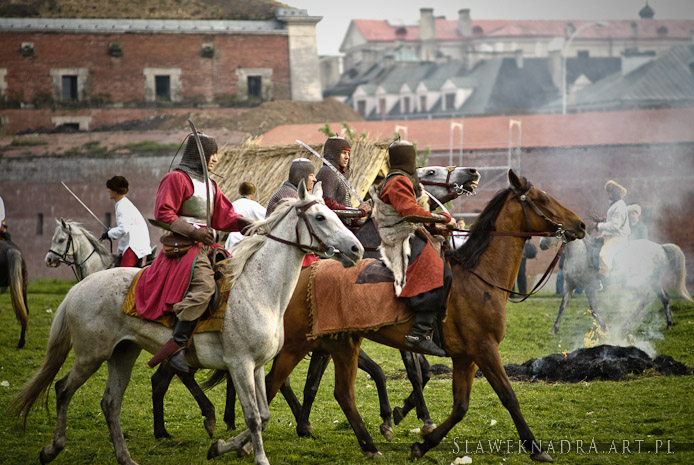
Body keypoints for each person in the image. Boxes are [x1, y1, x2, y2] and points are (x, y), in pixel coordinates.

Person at [135, 131, 252, 373]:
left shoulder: (210, 185)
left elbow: (225, 216)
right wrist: (195, 232)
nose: (216, 160)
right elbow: (164, 213)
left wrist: (252, 225)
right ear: (199, 155)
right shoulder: (176, 179)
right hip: (185, 247)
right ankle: (177, 344)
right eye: (212, 155)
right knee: (204, 288)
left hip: (208, 247)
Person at [374, 140, 456, 357]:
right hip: (400, 237)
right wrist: (442, 217)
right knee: (441, 273)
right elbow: (409, 212)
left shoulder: (400, 179)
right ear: (408, 159)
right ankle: (418, 333)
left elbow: (415, 214)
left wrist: (437, 225)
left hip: (409, 232)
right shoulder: (397, 181)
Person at [266, 158, 319, 267]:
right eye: (311, 175)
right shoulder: (290, 197)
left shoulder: (291, 193)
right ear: (301, 177)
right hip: (281, 256)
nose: (315, 179)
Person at [315, 136, 372, 229]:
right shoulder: (327, 172)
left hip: (342, 227)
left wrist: (357, 218)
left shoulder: (338, 175)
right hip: (332, 230)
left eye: (348, 153)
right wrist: (358, 212)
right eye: (343, 153)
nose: (347, 157)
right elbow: (328, 205)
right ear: (334, 154)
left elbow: (344, 211)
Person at [100, 176, 152, 267]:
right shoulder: (124, 204)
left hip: (134, 247)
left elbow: (123, 229)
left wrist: (109, 233)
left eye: (110, 188)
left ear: (116, 190)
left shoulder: (122, 206)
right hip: (138, 245)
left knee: (122, 277)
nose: (108, 190)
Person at [593, 180, 630, 287]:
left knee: (603, 255)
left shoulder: (620, 206)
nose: (608, 194)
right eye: (608, 192)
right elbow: (612, 222)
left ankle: (605, 279)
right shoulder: (615, 205)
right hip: (609, 236)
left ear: (616, 194)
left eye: (610, 192)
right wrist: (603, 220)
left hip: (618, 238)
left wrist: (597, 226)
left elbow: (615, 226)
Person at [224, 182, 266, 251]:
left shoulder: (233, 205)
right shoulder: (255, 206)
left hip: (233, 239)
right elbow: (267, 217)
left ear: (240, 192)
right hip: (250, 239)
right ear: (252, 193)